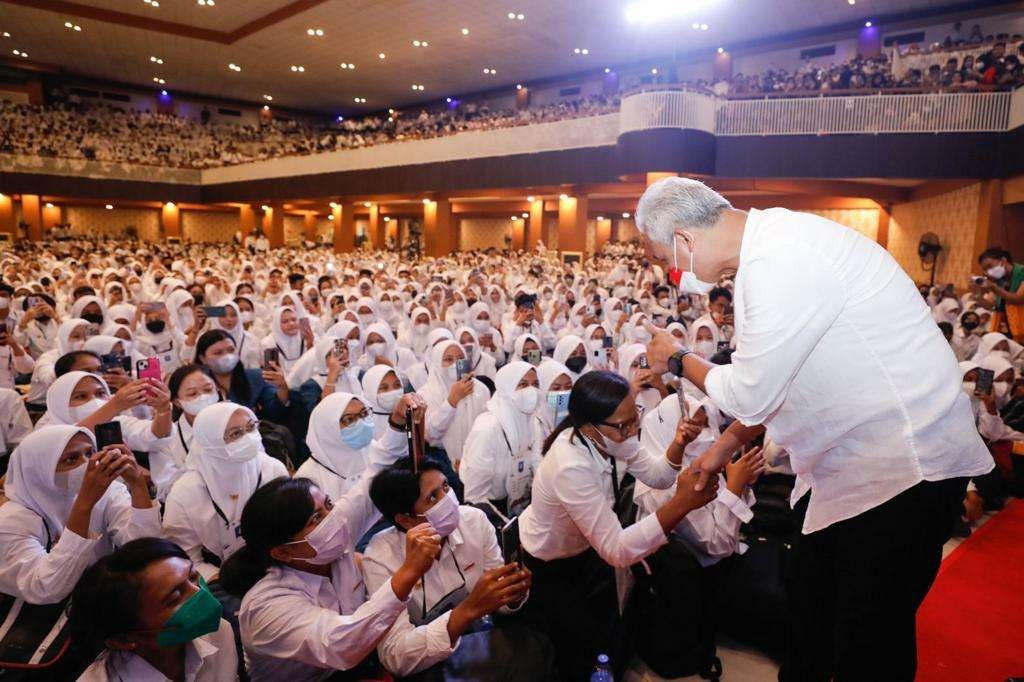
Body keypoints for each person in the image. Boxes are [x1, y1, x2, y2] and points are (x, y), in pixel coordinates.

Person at [637, 177, 992, 681]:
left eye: (664, 259)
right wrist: (716, 454)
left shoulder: (779, 260)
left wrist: (675, 358)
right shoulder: (772, 247)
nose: (671, 274)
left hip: (902, 472)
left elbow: (752, 391)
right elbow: (781, 384)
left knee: (867, 643)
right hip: (849, 469)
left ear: (684, 241)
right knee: (810, 613)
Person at [518, 371, 718, 680]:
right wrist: (683, 503)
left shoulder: (612, 434)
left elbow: (659, 475)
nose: (632, 430)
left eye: (634, 417)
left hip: (585, 549)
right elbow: (617, 549)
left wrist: (678, 442)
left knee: (606, 633)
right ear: (588, 425)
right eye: (624, 425)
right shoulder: (570, 465)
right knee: (576, 648)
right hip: (549, 564)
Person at [218, 395, 434, 680]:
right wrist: (408, 572)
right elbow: (343, 645)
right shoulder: (266, 606)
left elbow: (372, 477)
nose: (333, 519)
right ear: (282, 552)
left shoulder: (330, 540)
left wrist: (395, 424)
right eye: (316, 519)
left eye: (328, 505)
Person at [363, 457, 549, 679]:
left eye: (445, 487)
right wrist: (467, 610)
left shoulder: (474, 521)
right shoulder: (380, 558)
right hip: (428, 663)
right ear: (406, 520)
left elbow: (500, 605)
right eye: (432, 497)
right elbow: (396, 656)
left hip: (483, 635)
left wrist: (512, 596)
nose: (448, 500)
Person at [0, 425, 160, 604]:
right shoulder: (10, 522)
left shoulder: (108, 491)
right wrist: (85, 504)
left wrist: (137, 483)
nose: (87, 465)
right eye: (71, 459)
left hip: (101, 601)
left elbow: (144, 548)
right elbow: (46, 589)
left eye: (90, 453)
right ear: (39, 471)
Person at [70, 537, 239, 681]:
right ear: (123, 640)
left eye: (193, 577)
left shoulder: (218, 633)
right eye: (174, 598)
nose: (199, 593)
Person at [162, 402, 289, 581]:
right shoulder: (185, 493)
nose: (249, 437)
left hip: (278, 564)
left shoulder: (272, 469)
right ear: (210, 442)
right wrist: (225, 580)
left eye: (251, 427)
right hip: (218, 577)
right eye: (235, 434)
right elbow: (186, 558)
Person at [460, 361, 541, 519]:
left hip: (521, 501)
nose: (532, 391)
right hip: (490, 509)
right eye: (523, 384)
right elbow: (475, 497)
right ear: (506, 389)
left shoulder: (533, 422)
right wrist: (507, 526)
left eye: (536, 384)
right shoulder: (487, 428)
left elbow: (537, 463)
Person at [149, 364, 221, 501]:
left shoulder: (238, 421)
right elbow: (165, 491)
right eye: (193, 394)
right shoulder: (165, 439)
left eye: (208, 389)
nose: (203, 397)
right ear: (177, 402)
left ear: (217, 389)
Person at [972, 247, 1024, 339]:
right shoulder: (999, 281)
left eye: (990, 266)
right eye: (985, 270)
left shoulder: (1021, 273)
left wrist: (993, 288)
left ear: (1003, 260)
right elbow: (990, 305)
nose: (988, 272)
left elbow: (1018, 299)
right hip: (1007, 331)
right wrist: (976, 294)